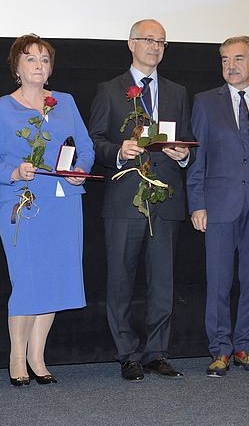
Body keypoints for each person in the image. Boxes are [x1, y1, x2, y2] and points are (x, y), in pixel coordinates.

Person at [0, 34, 94, 386]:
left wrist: (80, 170)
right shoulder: (0, 108)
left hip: (63, 202)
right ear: (16, 66)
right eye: (30, 59)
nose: (38, 65)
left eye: (44, 59)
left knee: (55, 279)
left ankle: (37, 357)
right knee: (27, 280)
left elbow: (86, 147)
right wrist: (14, 172)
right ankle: (17, 357)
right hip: (22, 203)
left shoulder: (65, 102)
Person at [88, 19, 193, 381]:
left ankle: (156, 352)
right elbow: (94, 141)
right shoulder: (109, 90)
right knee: (120, 281)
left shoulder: (178, 92)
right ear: (131, 43)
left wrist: (184, 155)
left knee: (163, 282)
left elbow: (187, 139)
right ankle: (127, 353)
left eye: (161, 41)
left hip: (166, 198)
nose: (155, 46)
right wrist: (118, 152)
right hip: (124, 200)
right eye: (148, 39)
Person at [187, 36, 249, 377]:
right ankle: (220, 350)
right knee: (218, 281)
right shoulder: (205, 102)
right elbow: (198, 158)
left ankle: (245, 346)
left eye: (238, 59)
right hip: (218, 205)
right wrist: (197, 204)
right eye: (225, 60)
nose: (231, 66)